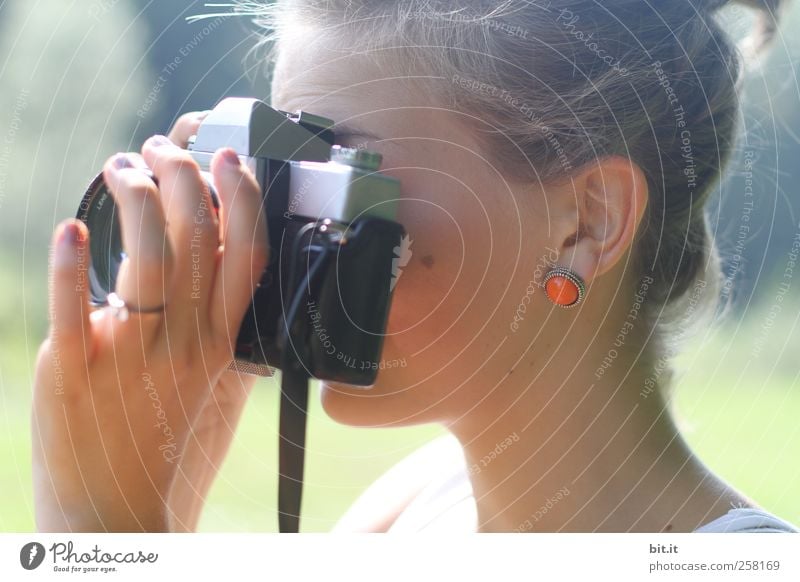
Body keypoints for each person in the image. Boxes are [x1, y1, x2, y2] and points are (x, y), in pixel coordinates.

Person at [32, 0, 798, 533]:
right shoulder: (408, 512)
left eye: (339, 177)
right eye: (278, 174)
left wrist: (100, 535)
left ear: (586, 224)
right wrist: (168, 480)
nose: (264, 236)